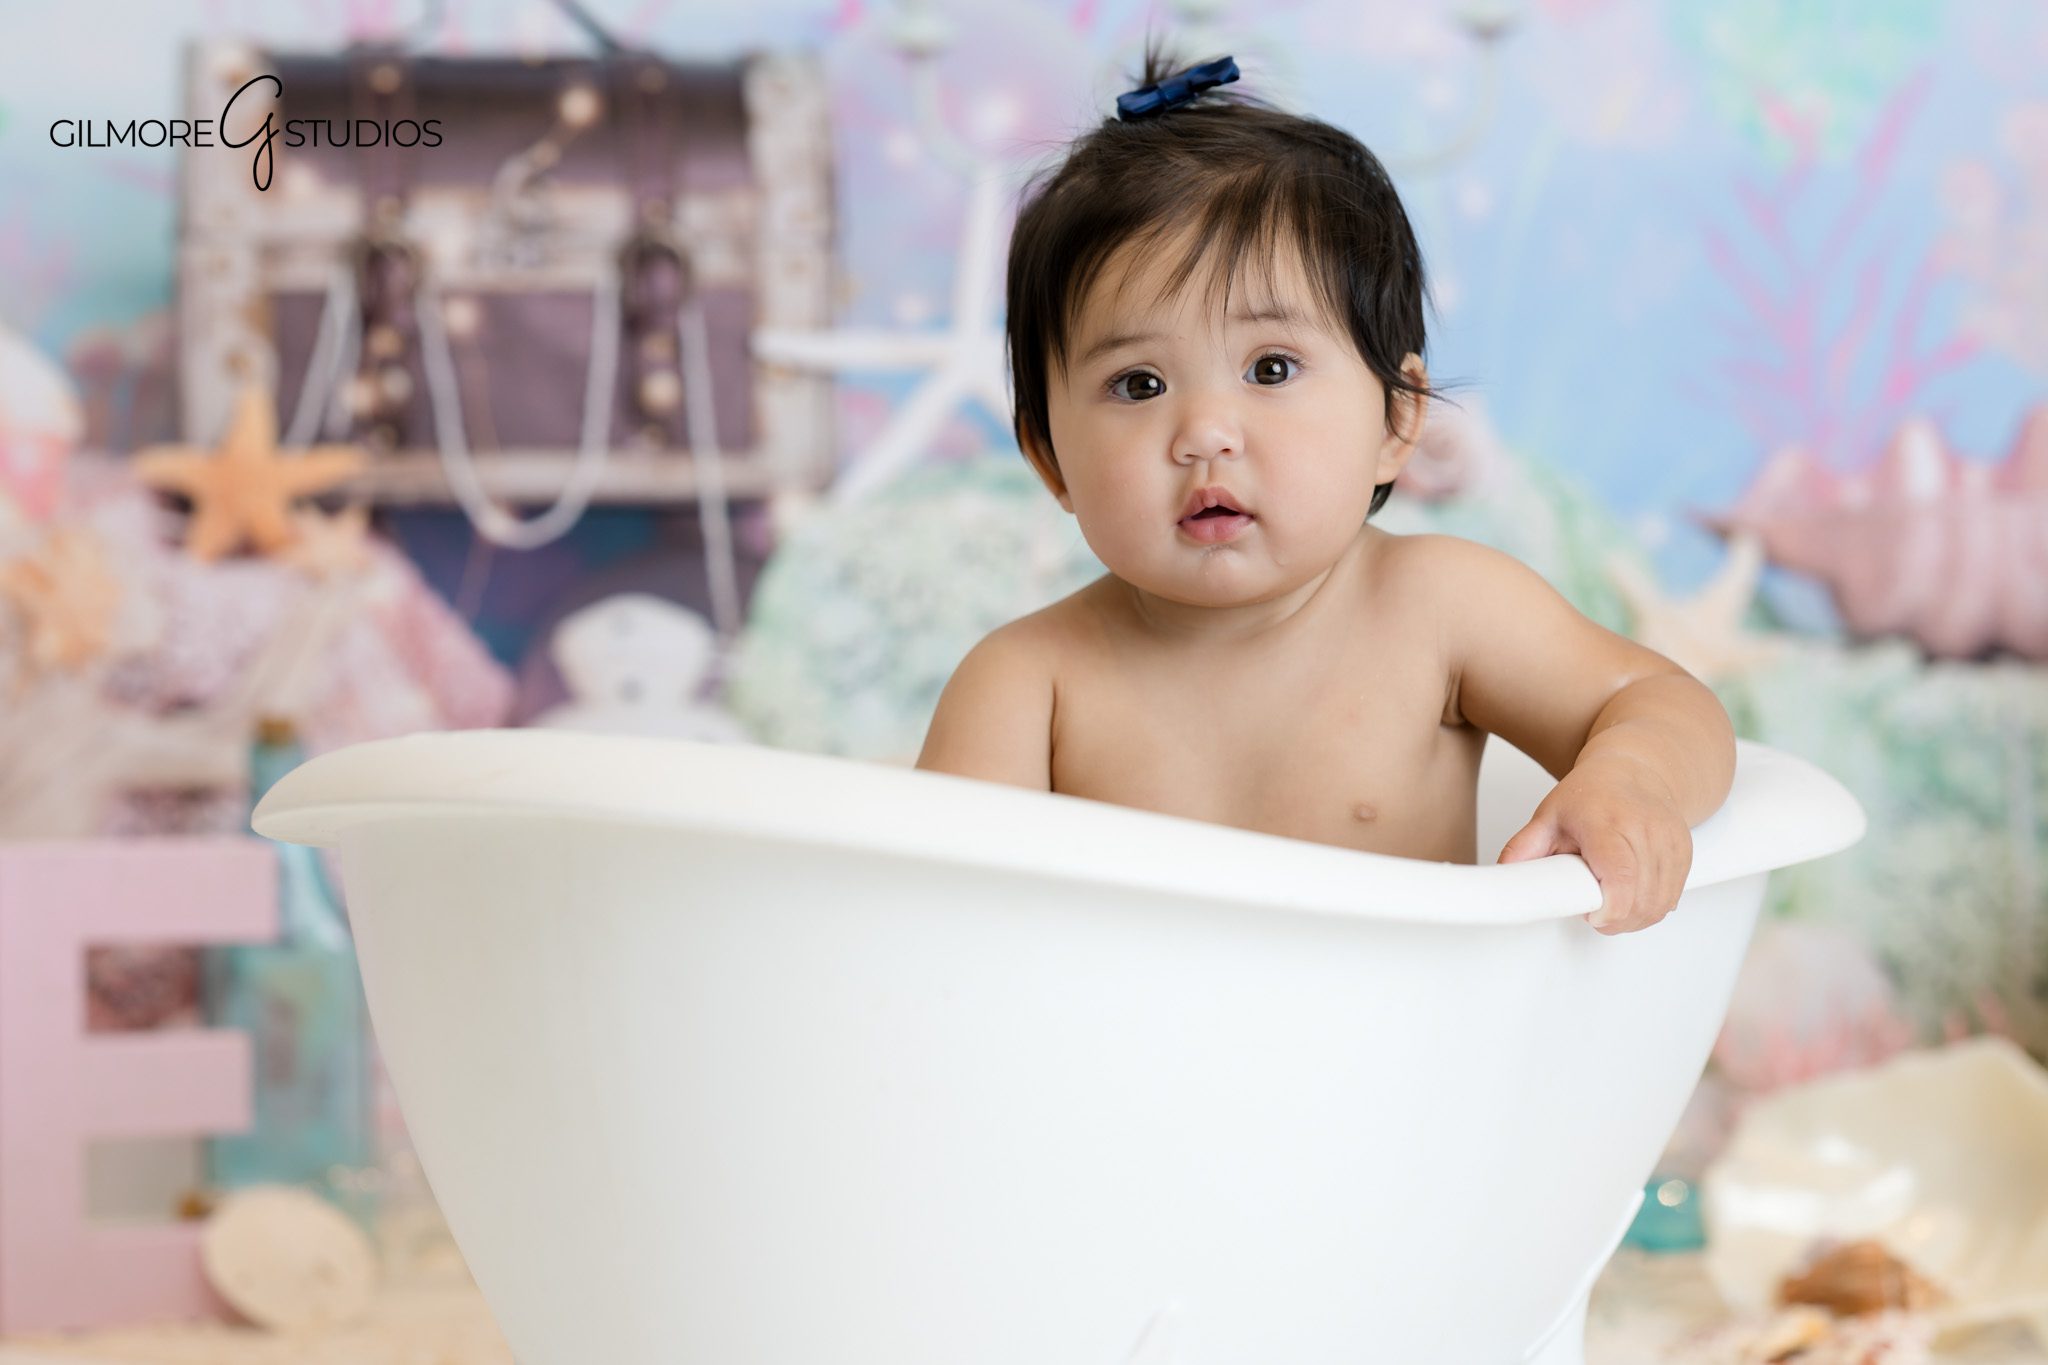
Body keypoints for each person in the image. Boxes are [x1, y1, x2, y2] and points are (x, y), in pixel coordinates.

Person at [915, 47, 1735, 935]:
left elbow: (1661, 702)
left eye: (1270, 367)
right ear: (1048, 460)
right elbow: (932, 928)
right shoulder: (1028, 683)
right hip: (1124, 1066)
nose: (1205, 433)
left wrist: (1632, 777)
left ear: (1395, 420)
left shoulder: (1442, 609)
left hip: (1404, 1058)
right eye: (1139, 385)